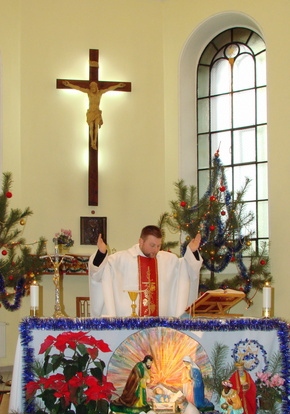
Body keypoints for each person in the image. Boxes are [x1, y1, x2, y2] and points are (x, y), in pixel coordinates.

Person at [88, 225, 202, 317]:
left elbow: (186, 270)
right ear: (141, 241)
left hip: (160, 326)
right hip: (128, 326)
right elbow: (99, 273)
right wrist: (101, 254)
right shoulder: (121, 259)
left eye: (158, 246)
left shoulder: (168, 260)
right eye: (152, 245)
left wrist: (192, 252)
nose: (155, 250)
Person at [62, 80, 125, 150]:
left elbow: (109, 89)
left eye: (94, 87)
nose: (92, 89)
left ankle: (95, 140)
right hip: (91, 112)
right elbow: (79, 88)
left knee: (96, 126)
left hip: (97, 112)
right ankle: (92, 141)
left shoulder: (100, 93)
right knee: (91, 126)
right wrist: (69, 85)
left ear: (96, 87)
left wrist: (118, 86)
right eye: (91, 87)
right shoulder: (88, 92)